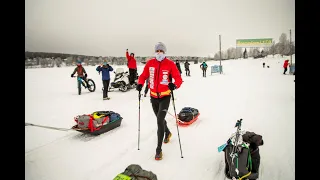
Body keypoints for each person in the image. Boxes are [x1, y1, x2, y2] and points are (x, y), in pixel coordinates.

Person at [136, 42, 183, 160]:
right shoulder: (150, 63)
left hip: (165, 96)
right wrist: (140, 84)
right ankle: (167, 133)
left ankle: (158, 149)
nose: (159, 53)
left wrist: (174, 85)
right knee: (159, 118)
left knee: (159, 120)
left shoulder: (170, 64)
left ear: (164, 52)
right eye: (157, 51)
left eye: (161, 51)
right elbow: (143, 76)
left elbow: (178, 78)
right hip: (153, 97)